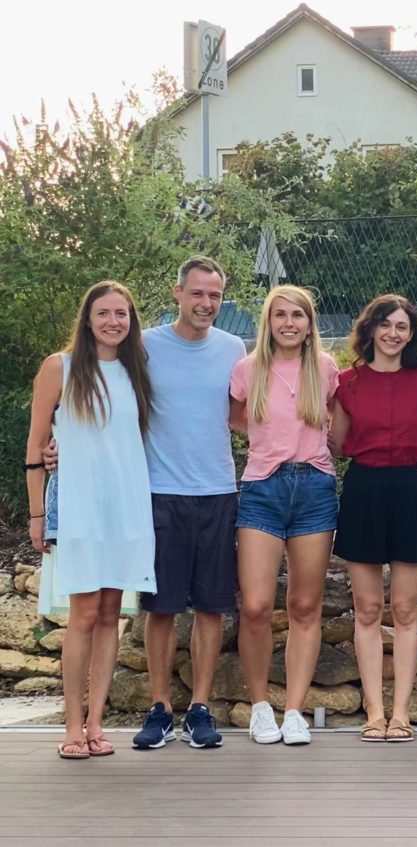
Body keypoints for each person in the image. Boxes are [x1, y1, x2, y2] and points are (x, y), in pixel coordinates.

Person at [26, 281, 156, 759]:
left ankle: (98, 724)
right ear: (88, 318)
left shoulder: (136, 370)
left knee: (109, 615)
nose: (113, 322)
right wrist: (37, 513)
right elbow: (37, 444)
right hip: (78, 505)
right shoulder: (58, 368)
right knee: (81, 614)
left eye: (122, 313)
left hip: (126, 507)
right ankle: (72, 726)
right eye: (104, 313)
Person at [132, 257, 245, 750]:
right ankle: (159, 707)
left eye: (214, 296)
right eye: (197, 293)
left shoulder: (234, 348)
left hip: (218, 492)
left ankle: (200, 708)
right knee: (160, 608)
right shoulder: (146, 346)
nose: (206, 304)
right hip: (159, 493)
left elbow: (247, 416)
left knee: (211, 607)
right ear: (177, 293)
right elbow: (113, 405)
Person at [230, 285, 339, 746]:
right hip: (262, 487)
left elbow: (335, 418)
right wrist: (265, 434)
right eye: (280, 316)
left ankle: (294, 710)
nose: (289, 323)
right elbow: (234, 415)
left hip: (314, 486)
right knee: (255, 606)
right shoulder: (247, 369)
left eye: (298, 315)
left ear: (310, 323)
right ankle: (260, 708)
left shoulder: (326, 369)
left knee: (304, 605)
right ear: (268, 322)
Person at [329, 295, 417, 743]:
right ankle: (373, 712)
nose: (395, 334)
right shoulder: (347, 382)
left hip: (411, 489)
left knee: (406, 608)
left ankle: (401, 713)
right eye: (387, 325)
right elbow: (336, 443)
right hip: (364, 490)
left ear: (412, 335)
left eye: (404, 327)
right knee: (368, 609)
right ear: (371, 328)